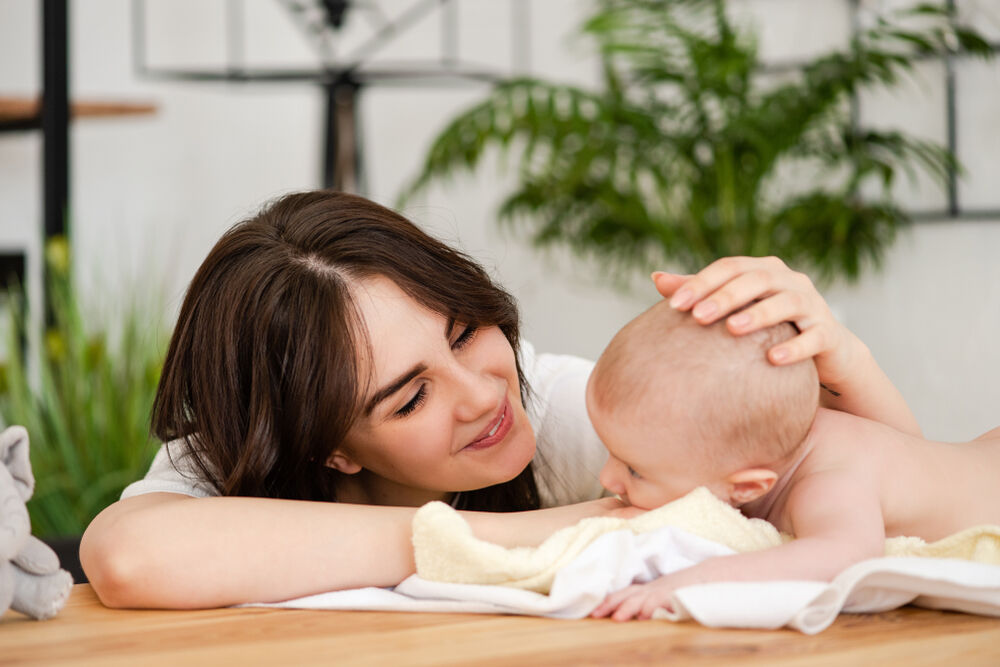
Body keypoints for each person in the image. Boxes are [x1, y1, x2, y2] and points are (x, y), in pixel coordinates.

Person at [80, 190, 921, 609]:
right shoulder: (244, 452)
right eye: (409, 398)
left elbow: (889, 519)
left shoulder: (560, 410)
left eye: (463, 331)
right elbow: (125, 556)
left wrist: (848, 358)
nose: (485, 393)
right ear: (329, 447)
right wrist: (523, 535)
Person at [586, 301, 1000, 621]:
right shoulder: (770, 432)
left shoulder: (827, 484)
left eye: (634, 469)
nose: (607, 477)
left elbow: (848, 555)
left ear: (747, 486)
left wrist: (690, 582)